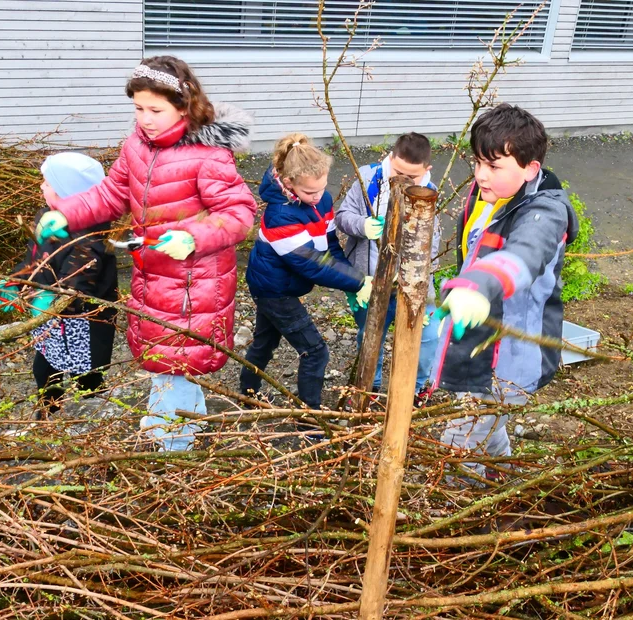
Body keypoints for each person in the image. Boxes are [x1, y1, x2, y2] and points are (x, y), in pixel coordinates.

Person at [34, 56, 257, 450]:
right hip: (153, 275)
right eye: (138, 108)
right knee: (169, 359)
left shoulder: (209, 156)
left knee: (174, 360)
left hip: (194, 286)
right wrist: (65, 213)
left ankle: (173, 448)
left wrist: (192, 235)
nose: (146, 118)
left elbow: (239, 213)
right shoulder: (137, 145)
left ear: (184, 107)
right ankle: (186, 418)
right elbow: (112, 193)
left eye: (155, 110)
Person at [431, 103, 579, 479]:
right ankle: (507, 478)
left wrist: (477, 285)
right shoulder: (491, 195)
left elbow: (523, 255)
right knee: (486, 427)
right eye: (477, 162)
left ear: (530, 168)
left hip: (512, 357)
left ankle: (456, 509)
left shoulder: (544, 212)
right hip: (480, 342)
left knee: (459, 448)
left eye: (494, 166)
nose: (480, 175)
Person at [240, 134, 373, 411]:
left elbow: (329, 246)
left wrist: (352, 281)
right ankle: (309, 416)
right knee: (315, 351)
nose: (317, 197)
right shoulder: (280, 215)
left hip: (282, 285)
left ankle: (247, 392)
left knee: (266, 340)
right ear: (289, 184)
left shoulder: (320, 201)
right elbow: (311, 262)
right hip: (273, 290)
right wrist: (357, 280)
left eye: (322, 189)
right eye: (310, 192)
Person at [0, 152, 118, 416]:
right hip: (50, 315)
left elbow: (80, 283)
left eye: (48, 183)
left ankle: (94, 406)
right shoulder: (47, 218)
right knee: (44, 367)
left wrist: (47, 300)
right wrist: (16, 282)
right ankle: (49, 408)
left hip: (82, 319)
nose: (41, 186)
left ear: (68, 192)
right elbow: (34, 260)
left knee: (86, 372)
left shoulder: (90, 235)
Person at [334, 133, 441, 400]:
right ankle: (371, 387)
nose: (403, 180)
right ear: (390, 158)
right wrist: (362, 226)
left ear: (427, 170)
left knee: (427, 337)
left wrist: (424, 283)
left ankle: (414, 389)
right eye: (398, 172)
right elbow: (342, 216)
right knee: (371, 334)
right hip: (369, 281)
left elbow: (434, 242)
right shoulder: (368, 178)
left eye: (412, 176)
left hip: (411, 283)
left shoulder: (429, 193)